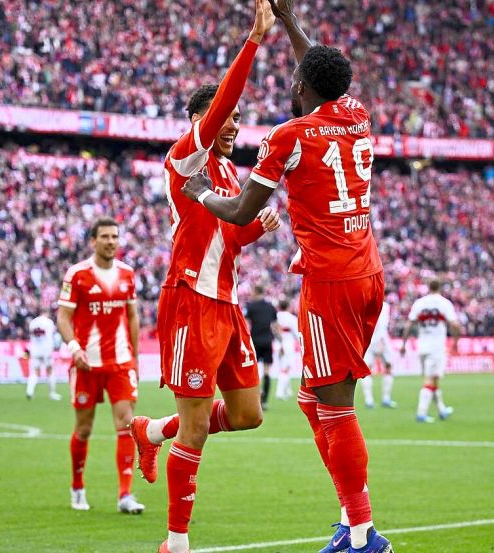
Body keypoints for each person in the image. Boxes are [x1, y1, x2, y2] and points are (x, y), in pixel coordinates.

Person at [180, 2, 393, 550]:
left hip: (330, 281)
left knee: (335, 406)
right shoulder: (357, 113)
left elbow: (239, 212)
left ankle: (363, 534)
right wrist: (291, 21)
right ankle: (352, 521)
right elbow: (318, 68)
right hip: (368, 271)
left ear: (299, 86)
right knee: (311, 399)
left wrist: (199, 191)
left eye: (295, 78)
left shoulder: (289, 136)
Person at [126, 4, 281, 552]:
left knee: (248, 414)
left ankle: (152, 430)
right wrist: (254, 41)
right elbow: (220, 107)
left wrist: (255, 228)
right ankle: (176, 541)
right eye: (226, 117)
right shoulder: (185, 157)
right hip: (190, 297)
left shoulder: (227, 173)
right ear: (201, 121)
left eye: (238, 119)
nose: (234, 125)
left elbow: (227, 240)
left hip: (227, 304)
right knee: (196, 429)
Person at [57, 218, 144, 514]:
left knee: (127, 424)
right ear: (93, 241)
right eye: (105, 237)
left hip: (120, 363)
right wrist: (74, 348)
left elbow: (132, 316)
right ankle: (77, 487)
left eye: (115, 237)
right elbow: (63, 318)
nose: (111, 241)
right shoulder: (77, 274)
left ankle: (125, 495)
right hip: (86, 364)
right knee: (83, 429)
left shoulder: (127, 274)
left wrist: (134, 357)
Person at [405, 280, 460, 423]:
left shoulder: (419, 303)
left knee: (434, 379)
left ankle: (442, 410)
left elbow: (409, 323)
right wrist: (455, 342)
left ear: (428, 287)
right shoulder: (444, 303)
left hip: (422, 347)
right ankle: (421, 413)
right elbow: (455, 324)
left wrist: (404, 343)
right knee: (429, 380)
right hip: (436, 348)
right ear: (440, 287)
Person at [245, 284, 278, 409]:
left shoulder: (250, 306)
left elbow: (246, 324)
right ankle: (265, 401)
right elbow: (275, 325)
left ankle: (256, 397)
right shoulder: (270, 307)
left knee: (253, 371)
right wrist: (280, 341)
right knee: (267, 371)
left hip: (255, 341)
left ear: (255, 292)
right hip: (268, 341)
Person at [362, 300, 397, 409]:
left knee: (367, 371)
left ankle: (369, 400)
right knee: (388, 368)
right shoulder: (385, 306)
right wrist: (381, 341)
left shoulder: (365, 304)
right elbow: (382, 324)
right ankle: (386, 398)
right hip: (381, 341)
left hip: (368, 340)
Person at [25, 313, 62, 401]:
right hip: (46, 351)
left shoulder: (33, 322)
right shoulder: (49, 322)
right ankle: (52, 393)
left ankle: (29, 391)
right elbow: (54, 336)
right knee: (50, 371)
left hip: (35, 350)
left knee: (34, 372)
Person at [273, 298, 300, 401]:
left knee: (282, 367)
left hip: (277, 343)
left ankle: (287, 391)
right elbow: (296, 333)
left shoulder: (276, 316)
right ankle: (279, 392)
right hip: (287, 344)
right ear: (288, 307)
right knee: (286, 368)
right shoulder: (291, 318)